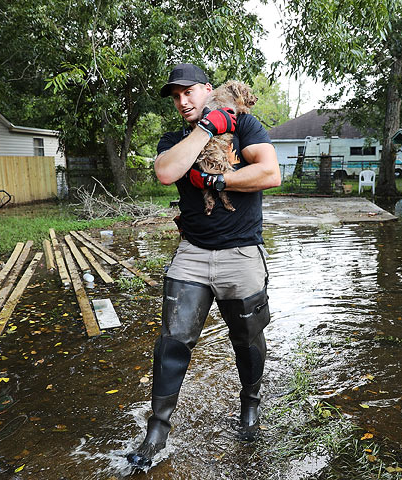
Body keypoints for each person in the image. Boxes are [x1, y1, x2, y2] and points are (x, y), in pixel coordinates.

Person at [127, 63, 281, 468]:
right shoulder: (175, 137)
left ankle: (250, 404)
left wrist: (217, 182)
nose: (182, 101)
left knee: (247, 338)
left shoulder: (245, 125)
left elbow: (270, 172)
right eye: (176, 96)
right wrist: (207, 130)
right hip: (192, 254)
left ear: (207, 89)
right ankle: (157, 431)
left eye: (189, 92)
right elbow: (166, 172)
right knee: (172, 341)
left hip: (242, 253)